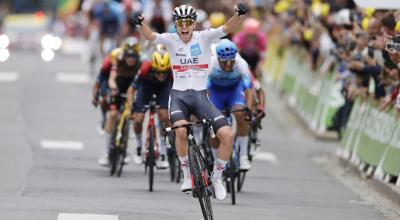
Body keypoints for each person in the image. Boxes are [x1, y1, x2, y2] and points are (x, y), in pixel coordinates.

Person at [131, 3, 248, 201]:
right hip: (179, 97)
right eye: (180, 23)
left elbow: (227, 28)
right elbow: (151, 36)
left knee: (227, 135)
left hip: (201, 97)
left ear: (194, 24)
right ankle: (186, 176)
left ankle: (217, 178)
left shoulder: (204, 37)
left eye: (188, 23)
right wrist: (140, 24)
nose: (184, 27)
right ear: (176, 25)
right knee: (181, 130)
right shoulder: (170, 39)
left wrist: (238, 14)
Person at [208, 39, 253, 170]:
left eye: (231, 61)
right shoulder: (211, 64)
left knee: (241, 113)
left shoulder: (241, 64)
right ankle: (217, 163)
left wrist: (248, 110)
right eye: (224, 62)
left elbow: (248, 90)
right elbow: (204, 91)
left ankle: (243, 155)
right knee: (214, 128)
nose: (228, 65)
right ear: (218, 59)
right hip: (216, 92)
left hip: (234, 91)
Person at [98, 37, 142, 166]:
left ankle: (124, 149)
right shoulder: (118, 61)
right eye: (128, 56)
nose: (130, 59)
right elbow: (112, 78)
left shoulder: (140, 64)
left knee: (127, 117)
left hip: (131, 91)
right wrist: (113, 87)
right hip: (118, 89)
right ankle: (106, 152)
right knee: (112, 116)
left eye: (133, 56)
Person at [127, 45, 173, 169]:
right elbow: (131, 89)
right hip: (146, 88)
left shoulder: (171, 72)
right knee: (138, 119)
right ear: (153, 67)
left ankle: (163, 152)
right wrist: (131, 107)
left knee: (164, 116)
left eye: (164, 72)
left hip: (163, 90)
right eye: (158, 72)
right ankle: (139, 146)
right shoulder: (145, 68)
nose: (161, 75)